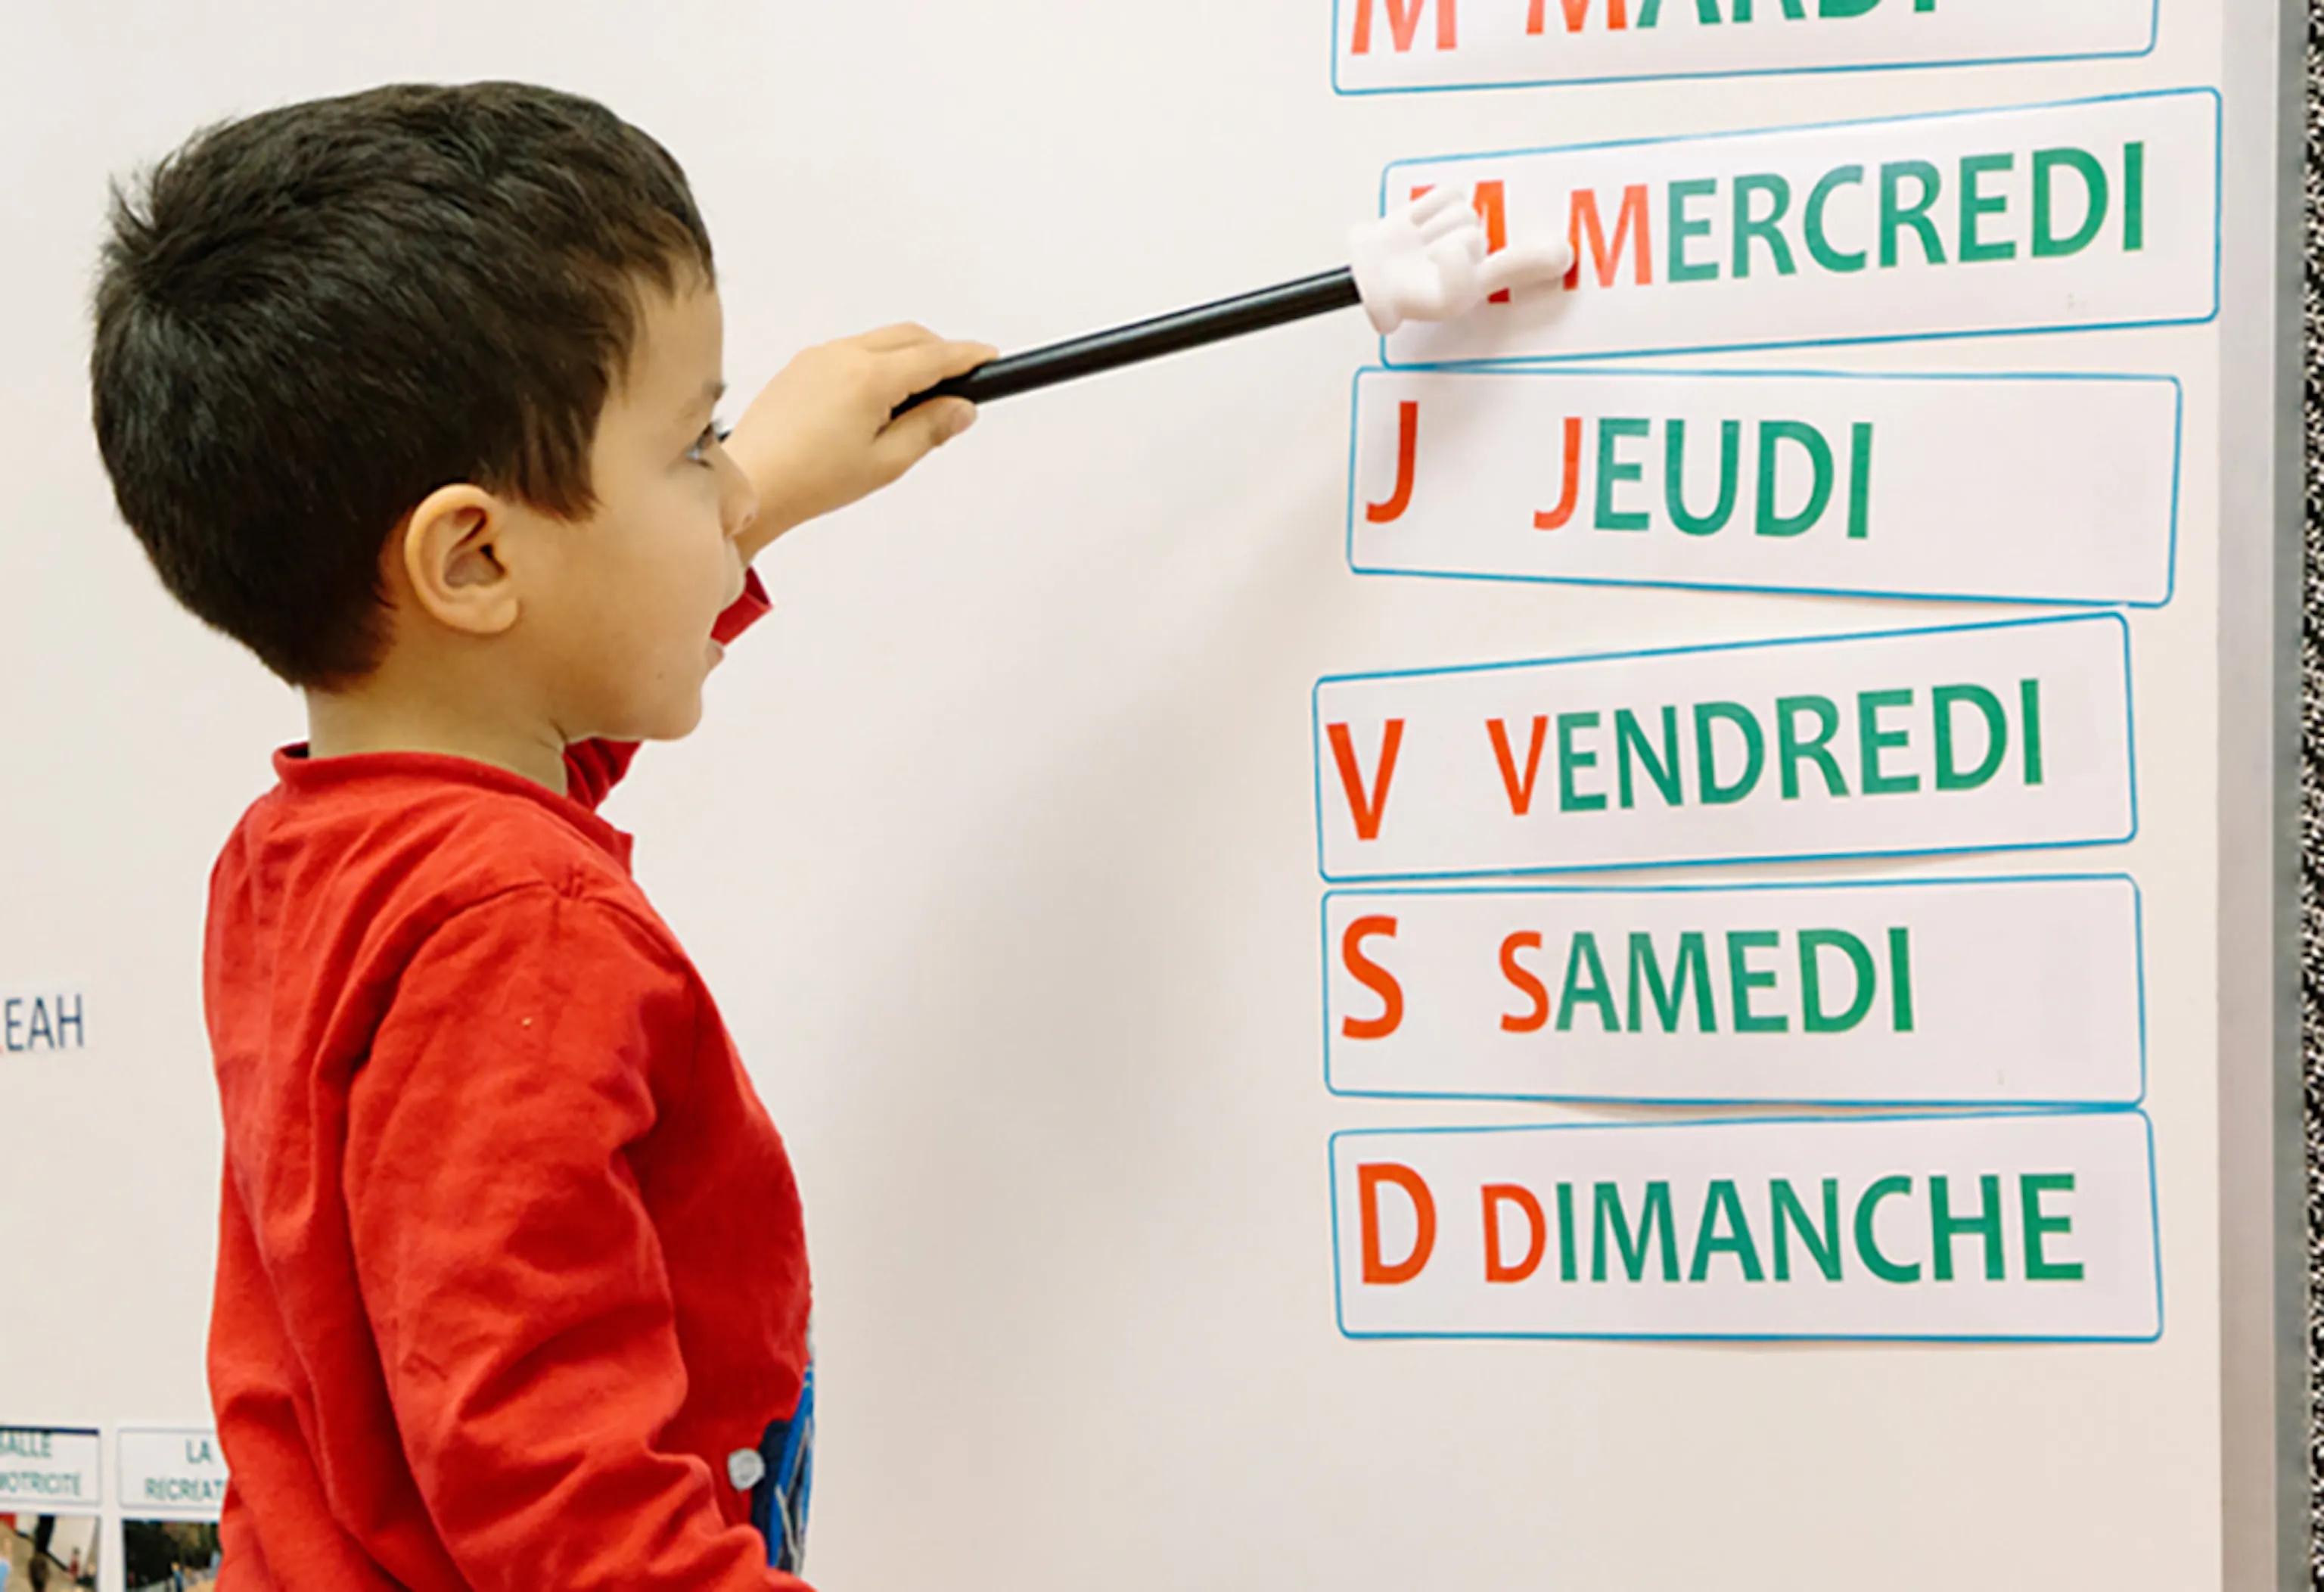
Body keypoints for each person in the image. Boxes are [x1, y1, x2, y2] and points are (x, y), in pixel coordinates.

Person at [89, 81, 992, 1590]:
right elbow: (563, 1500)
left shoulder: (310, 850)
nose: (730, 483)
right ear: (474, 557)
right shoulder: (518, 927)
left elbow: (527, 766)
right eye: (696, 448)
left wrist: (758, 495)